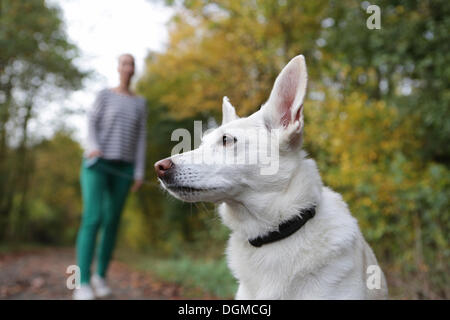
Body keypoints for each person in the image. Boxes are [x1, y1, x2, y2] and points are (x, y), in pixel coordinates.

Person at [73, 53, 147, 300]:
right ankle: (82, 282)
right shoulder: (104, 95)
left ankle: (100, 276)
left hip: (123, 169)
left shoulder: (140, 103)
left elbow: (141, 138)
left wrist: (138, 171)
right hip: (97, 163)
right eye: (124, 63)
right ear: (118, 68)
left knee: (112, 221)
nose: (128, 67)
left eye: (132, 64)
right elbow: (91, 122)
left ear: (134, 70)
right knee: (93, 218)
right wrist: (93, 146)